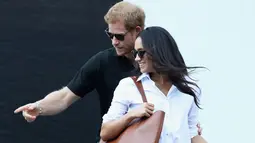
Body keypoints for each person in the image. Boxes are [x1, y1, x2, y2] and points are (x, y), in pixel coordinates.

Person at [13, 1, 204, 142]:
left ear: (137, 31)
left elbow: (189, 127)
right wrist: (38, 107)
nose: (114, 41)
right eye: (110, 35)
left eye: (119, 36)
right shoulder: (104, 63)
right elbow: (65, 97)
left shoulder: (169, 77)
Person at [100, 26, 207, 143]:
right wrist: (131, 115)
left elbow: (192, 135)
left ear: (158, 51)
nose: (136, 58)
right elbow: (105, 132)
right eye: (135, 53)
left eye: (141, 53)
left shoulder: (189, 89)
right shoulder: (128, 86)